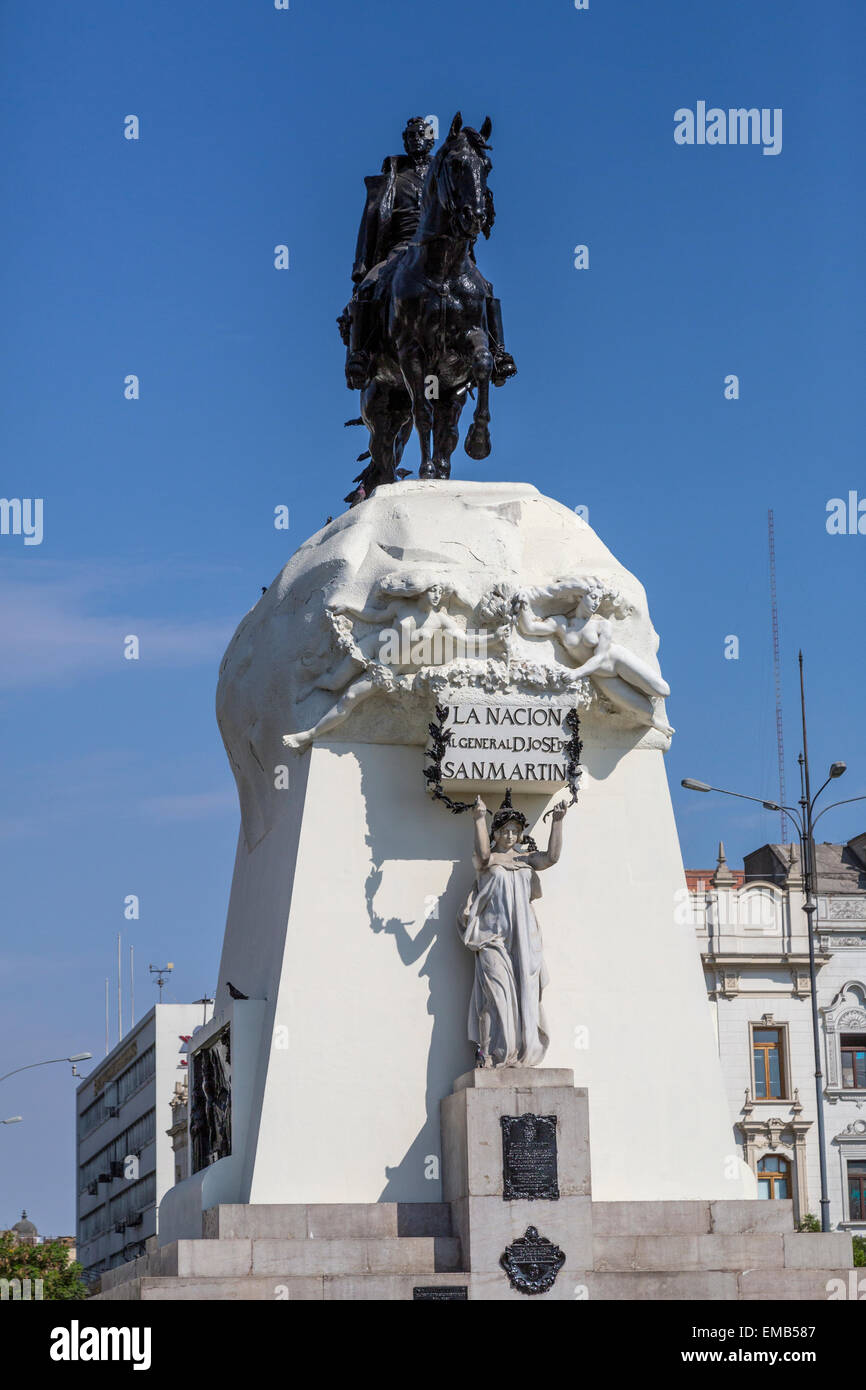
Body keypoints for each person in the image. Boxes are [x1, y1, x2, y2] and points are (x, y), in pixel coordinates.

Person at [458, 790, 567, 1068]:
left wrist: (557, 822)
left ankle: (522, 1054)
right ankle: (494, 1055)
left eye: (515, 831)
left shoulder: (527, 860)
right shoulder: (488, 862)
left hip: (524, 940)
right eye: (504, 830)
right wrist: (479, 819)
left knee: (524, 996)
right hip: (492, 939)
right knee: (497, 997)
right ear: (496, 833)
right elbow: (482, 855)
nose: (509, 835)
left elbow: (552, 857)